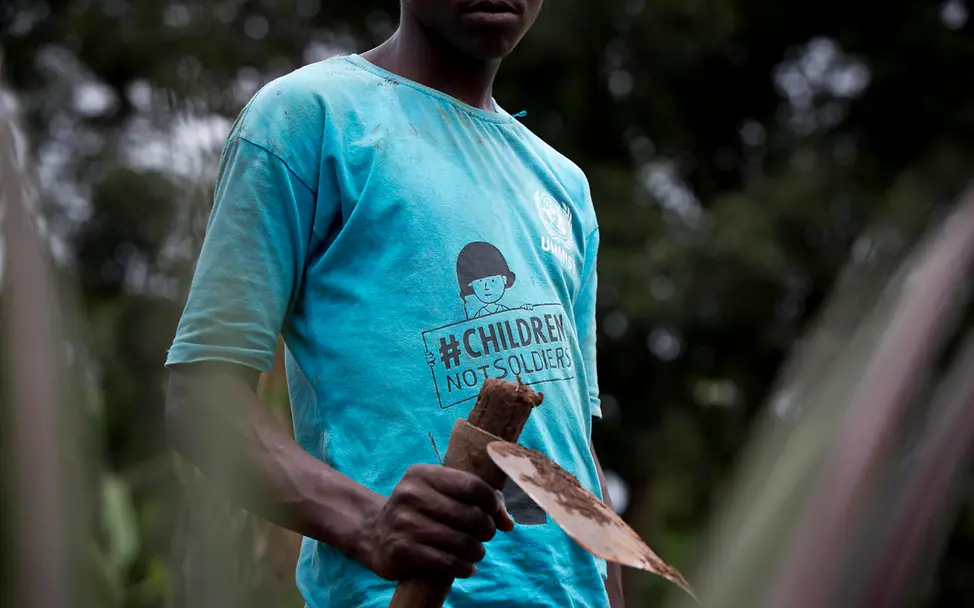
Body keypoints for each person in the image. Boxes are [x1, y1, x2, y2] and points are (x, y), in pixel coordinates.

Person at [164, 0, 624, 606]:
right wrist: (368, 523)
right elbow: (200, 397)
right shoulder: (310, 118)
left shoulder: (564, 184)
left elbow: (576, 453)